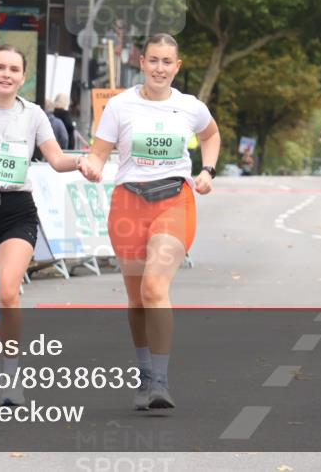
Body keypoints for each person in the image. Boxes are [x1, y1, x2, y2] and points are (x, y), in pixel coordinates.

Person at [0, 44, 97, 408]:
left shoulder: (35, 115)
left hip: (17, 210)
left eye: (13, 69)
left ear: (23, 77)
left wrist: (81, 164)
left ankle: (12, 378)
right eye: (0, 68)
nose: (6, 74)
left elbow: (55, 159)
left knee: (9, 291)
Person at [83, 33, 221, 411]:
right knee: (136, 298)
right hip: (128, 205)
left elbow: (211, 135)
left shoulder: (190, 107)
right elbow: (99, 155)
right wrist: (91, 167)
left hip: (175, 200)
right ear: (141, 62)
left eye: (167, 62)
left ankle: (159, 381)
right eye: (154, 60)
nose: (160, 68)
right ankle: (145, 375)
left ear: (177, 67)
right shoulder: (119, 106)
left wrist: (207, 170)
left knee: (154, 287)